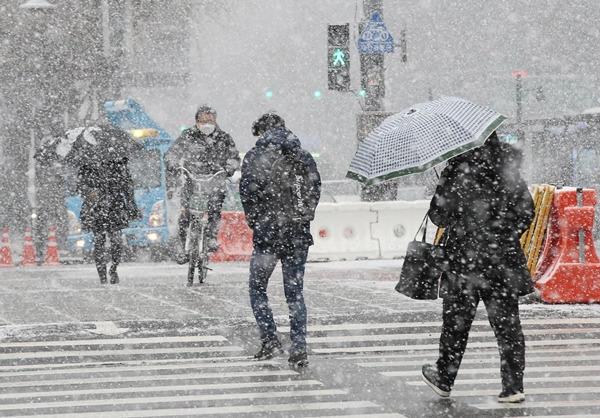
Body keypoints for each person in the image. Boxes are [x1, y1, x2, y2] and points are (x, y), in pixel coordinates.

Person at [421, 132, 535, 403]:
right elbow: (526, 211)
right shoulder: (508, 167)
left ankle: (444, 379)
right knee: (508, 325)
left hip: (464, 262)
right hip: (503, 261)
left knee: (456, 325)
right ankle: (513, 386)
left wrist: (445, 188)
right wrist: (504, 236)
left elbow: (439, 218)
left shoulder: (456, 169)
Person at [239, 113, 321, 366]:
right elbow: (314, 191)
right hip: (297, 236)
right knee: (295, 294)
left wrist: (258, 223)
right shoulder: (302, 155)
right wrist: (301, 220)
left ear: (261, 132)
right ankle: (299, 347)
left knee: (257, 288)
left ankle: (270, 340)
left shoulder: (255, 157)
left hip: (268, 237)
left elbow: (247, 194)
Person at [165, 105, 240, 260]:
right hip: (192, 180)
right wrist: (173, 164)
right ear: (197, 121)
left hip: (215, 180)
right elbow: (172, 153)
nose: (207, 124)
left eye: (210, 120)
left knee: (215, 206)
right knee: (186, 212)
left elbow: (233, 157)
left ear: (215, 121)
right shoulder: (187, 136)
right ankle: (181, 243)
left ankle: (212, 237)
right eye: (203, 120)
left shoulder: (224, 138)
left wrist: (228, 168)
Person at [78, 157, 139, 284]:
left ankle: (114, 267)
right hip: (95, 208)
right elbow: (80, 186)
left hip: (115, 206)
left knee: (116, 240)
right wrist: (90, 192)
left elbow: (128, 186)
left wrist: (131, 206)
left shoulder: (119, 163)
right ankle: (102, 276)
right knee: (98, 241)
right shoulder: (87, 164)